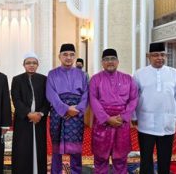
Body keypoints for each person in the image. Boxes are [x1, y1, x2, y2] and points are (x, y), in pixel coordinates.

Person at [133, 42, 176, 174]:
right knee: (146, 157)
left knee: (165, 157)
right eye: (155, 55)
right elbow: (134, 97)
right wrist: (134, 116)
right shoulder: (139, 74)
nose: (159, 58)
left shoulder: (174, 73)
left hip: (167, 121)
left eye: (162, 55)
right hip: (146, 122)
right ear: (149, 56)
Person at [89, 48, 138, 174]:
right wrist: (106, 118)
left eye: (112, 59)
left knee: (120, 157)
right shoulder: (95, 79)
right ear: (102, 62)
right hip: (102, 122)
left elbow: (134, 99)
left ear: (118, 61)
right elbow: (93, 99)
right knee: (100, 157)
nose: (109, 62)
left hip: (121, 122)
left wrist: (123, 117)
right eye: (106, 59)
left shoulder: (128, 79)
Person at [46, 43, 88, 174]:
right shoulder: (52, 74)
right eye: (65, 54)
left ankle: (76, 171)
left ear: (75, 57)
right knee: (57, 149)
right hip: (58, 114)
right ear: (59, 56)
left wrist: (78, 109)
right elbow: (50, 94)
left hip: (76, 115)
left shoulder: (82, 75)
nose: (68, 57)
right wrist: (65, 109)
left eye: (71, 55)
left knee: (75, 149)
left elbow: (86, 94)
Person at [11, 52, 49, 174]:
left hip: (39, 119)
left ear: (38, 65)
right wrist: (28, 113)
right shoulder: (17, 79)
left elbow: (47, 99)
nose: (31, 65)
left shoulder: (44, 79)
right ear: (23, 65)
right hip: (23, 119)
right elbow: (16, 99)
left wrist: (41, 114)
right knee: (22, 148)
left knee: (39, 147)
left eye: (34, 63)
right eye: (28, 63)